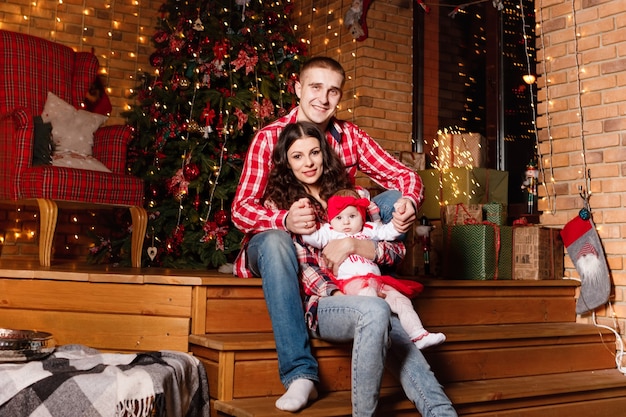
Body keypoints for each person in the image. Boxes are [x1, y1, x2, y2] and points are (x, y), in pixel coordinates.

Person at [231, 56, 425, 412]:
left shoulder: (349, 137)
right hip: (278, 242)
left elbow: (404, 176)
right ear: (298, 89)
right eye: (316, 88)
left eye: (333, 90)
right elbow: (240, 210)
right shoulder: (269, 137)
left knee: (394, 198)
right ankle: (300, 373)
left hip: (339, 239)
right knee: (276, 243)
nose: (323, 98)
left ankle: (368, 283)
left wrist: (407, 202)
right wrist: (284, 221)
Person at [258, 121, 457, 416]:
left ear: (325, 154)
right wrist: (338, 293)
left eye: (314, 152)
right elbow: (302, 266)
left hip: (369, 290)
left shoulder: (356, 197)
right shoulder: (284, 206)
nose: (308, 162)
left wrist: (358, 246)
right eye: (297, 156)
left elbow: (395, 250)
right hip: (326, 304)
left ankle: (441, 412)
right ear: (286, 162)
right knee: (376, 310)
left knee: (385, 315)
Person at [301, 188, 446, 350]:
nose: (346, 222)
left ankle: (418, 334)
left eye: (352, 216)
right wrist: (307, 217)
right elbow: (310, 237)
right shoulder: (330, 232)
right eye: (339, 217)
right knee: (371, 303)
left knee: (401, 301)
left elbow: (389, 232)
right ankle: (379, 335)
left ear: (361, 216)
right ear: (331, 220)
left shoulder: (368, 229)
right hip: (350, 284)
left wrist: (399, 221)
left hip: (378, 281)